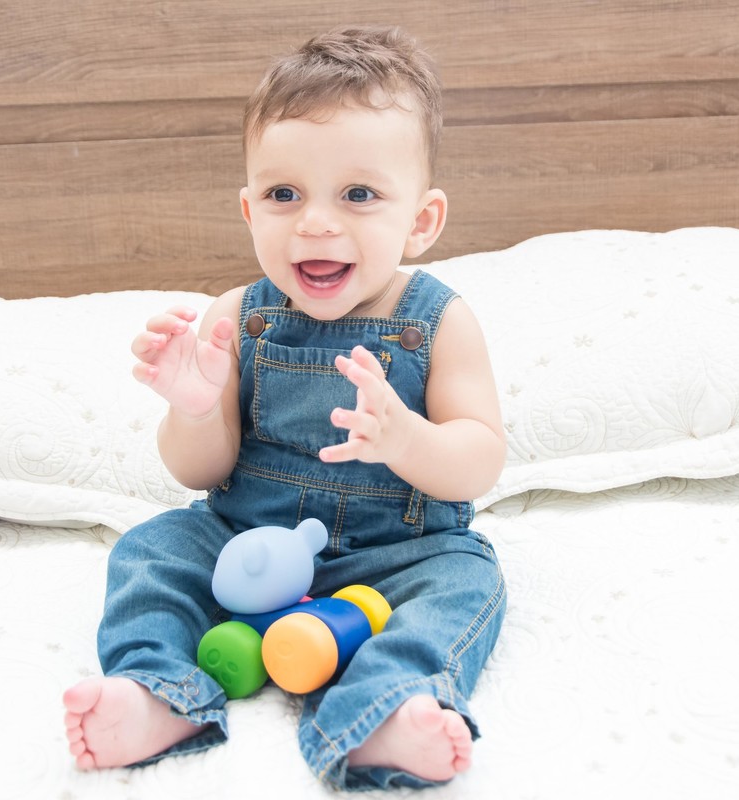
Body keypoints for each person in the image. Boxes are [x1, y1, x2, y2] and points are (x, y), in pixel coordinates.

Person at [62, 24, 507, 791]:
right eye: (284, 194)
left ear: (422, 221)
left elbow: (478, 460)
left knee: (469, 582)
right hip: (248, 540)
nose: (316, 222)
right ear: (248, 209)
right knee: (152, 550)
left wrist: (405, 437)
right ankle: (158, 693)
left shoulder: (440, 319)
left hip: (396, 553)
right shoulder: (238, 316)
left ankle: (387, 711)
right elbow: (200, 470)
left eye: (359, 194)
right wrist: (197, 407)